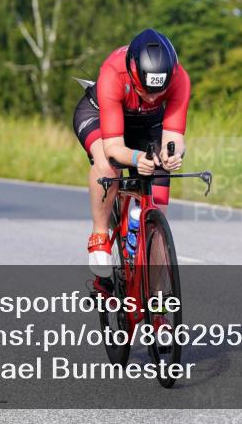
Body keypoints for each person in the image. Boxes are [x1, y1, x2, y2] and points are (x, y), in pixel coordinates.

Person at [72, 28, 191, 277]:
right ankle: (100, 234)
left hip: (148, 124)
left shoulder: (180, 79)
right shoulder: (113, 73)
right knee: (107, 165)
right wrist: (137, 158)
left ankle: (157, 299)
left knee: (158, 207)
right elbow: (113, 147)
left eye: (158, 93)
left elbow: (174, 136)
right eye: (145, 91)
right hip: (100, 117)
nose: (151, 98)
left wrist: (173, 154)